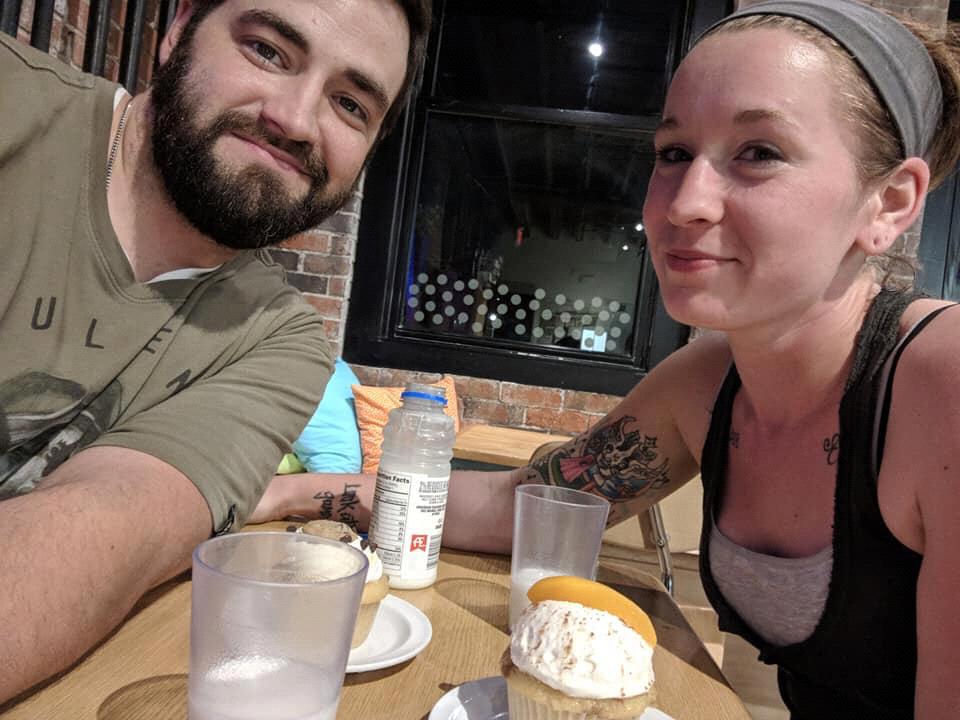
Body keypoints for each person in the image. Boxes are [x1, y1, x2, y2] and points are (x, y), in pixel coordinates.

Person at [253, 1, 960, 716]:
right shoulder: (705, 386)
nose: (684, 203)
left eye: (759, 153)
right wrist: (285, 495)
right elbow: (521, 503)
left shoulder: (942, 381)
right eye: (673, 153)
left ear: (889, 203)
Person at [0, 0, 430, 705]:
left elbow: (103, 536)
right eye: (267, 51)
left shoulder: (279, 341)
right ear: (177, 32)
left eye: (350, 104)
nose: (295, 120)